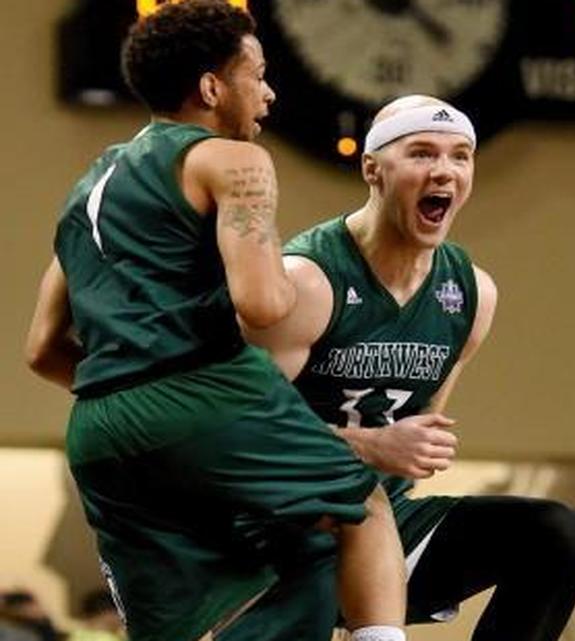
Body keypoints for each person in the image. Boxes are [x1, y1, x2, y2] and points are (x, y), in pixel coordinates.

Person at [23, 2, 405, 640]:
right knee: (358, 505)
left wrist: (134, 391)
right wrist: (305, 280)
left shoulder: (89, 188)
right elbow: (263, 304)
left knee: (203, 614)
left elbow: (40, 349)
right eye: (257, 75)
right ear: (211, 87)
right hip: (203, 391)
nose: (268, 92)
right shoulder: (233, 161)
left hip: (99, 428)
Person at [244, 94, 575, 641]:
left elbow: (417, 435)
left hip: (383, 528)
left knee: (557, 534)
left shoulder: (472, 292)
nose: (444, 171)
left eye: (460, 156)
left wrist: (406, 452)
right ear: (372, 170)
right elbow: (235, 427)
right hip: (272, 532)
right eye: (422, 153)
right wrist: (368, 446)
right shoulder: (307, 281)